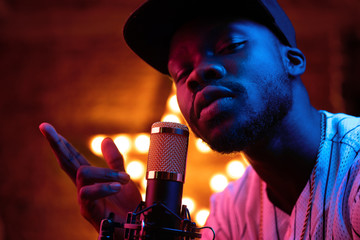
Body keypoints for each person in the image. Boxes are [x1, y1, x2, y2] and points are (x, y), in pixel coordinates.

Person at [39, 0, 360, 239]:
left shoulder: (355, 168)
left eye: (229, 45)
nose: (198, 74)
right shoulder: (230, 209)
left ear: (292, 60)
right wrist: (141, 232)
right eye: (180, 72)